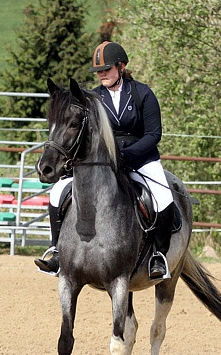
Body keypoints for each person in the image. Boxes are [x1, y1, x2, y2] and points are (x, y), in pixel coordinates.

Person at [34, 41, 176, 280]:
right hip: (102, 162)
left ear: (121, 67)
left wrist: (128, 155)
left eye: (106, 69)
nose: (101, 74)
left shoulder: (142, 93)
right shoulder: (93, 99)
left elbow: (154, 135)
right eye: (98, 71)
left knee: (163, 197)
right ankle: (57, 251)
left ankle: (158, 255)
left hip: (140, 158)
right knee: (57, 193)